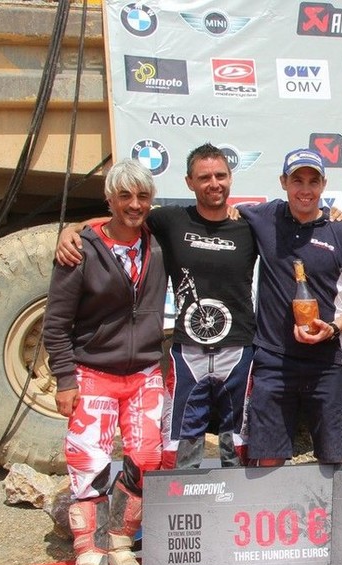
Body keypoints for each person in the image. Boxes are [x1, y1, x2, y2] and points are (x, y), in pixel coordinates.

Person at [57, 144, 258, 470]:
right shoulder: (170, 219)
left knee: (238, 441)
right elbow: (122, 218)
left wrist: (334, 216)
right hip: (187, 350)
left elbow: (295, 222)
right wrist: (73, 229)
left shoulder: (250, 225)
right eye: (204, 177)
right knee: (177, 444)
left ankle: (236, 498)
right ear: (189, 182)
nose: (214, 183)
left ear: (230, 178)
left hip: (239, 348)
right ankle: (181, 494)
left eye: (220, 176)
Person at [43, 159, 167, 565]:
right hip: (92, 373)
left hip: (145, 372)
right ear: (109, 199)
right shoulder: (81, 250)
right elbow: (56, 322)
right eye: (125, 196)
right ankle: (89, 563)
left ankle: (119, 543)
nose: (135, 205)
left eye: (143, 196)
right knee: (88, 467)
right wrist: (64, 379)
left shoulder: (159, 240)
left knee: (148, 459)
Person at [239, 148, 342, 466]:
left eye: (313, 181)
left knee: (333, 462)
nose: (305, 189)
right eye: (297, 180)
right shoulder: (264, 217)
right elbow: (219, 214)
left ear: (324, 184)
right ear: (283, 182)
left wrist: (335, 328)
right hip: (273, 361)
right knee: (267, 462)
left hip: (328, 363)